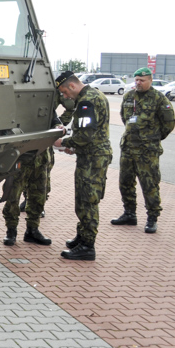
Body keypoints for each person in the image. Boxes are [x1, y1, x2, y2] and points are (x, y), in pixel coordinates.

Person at [53, 71, 112, 261]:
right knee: (83, 198)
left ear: (72, 86)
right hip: (91, 155)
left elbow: (85, 135)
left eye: (65, 92)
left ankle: (87, 246)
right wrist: (74, 146)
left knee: (88, 200)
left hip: (93, 158)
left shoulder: (87, 101)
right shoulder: (95, 95)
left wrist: (63, 143)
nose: (65, 97)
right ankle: (82, 236)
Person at [112, 67, 175, 233]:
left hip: (147, 151)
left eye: (142, 80)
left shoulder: (159, 98)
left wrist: (152, 138)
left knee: (149, 184)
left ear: (150, 81)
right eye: (136, 80)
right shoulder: (128, 96)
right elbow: (124, 117)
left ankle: (152, 218)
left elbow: (169, 123)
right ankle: (129, 213)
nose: (138, 83)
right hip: (128, 147)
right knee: (125, 182)